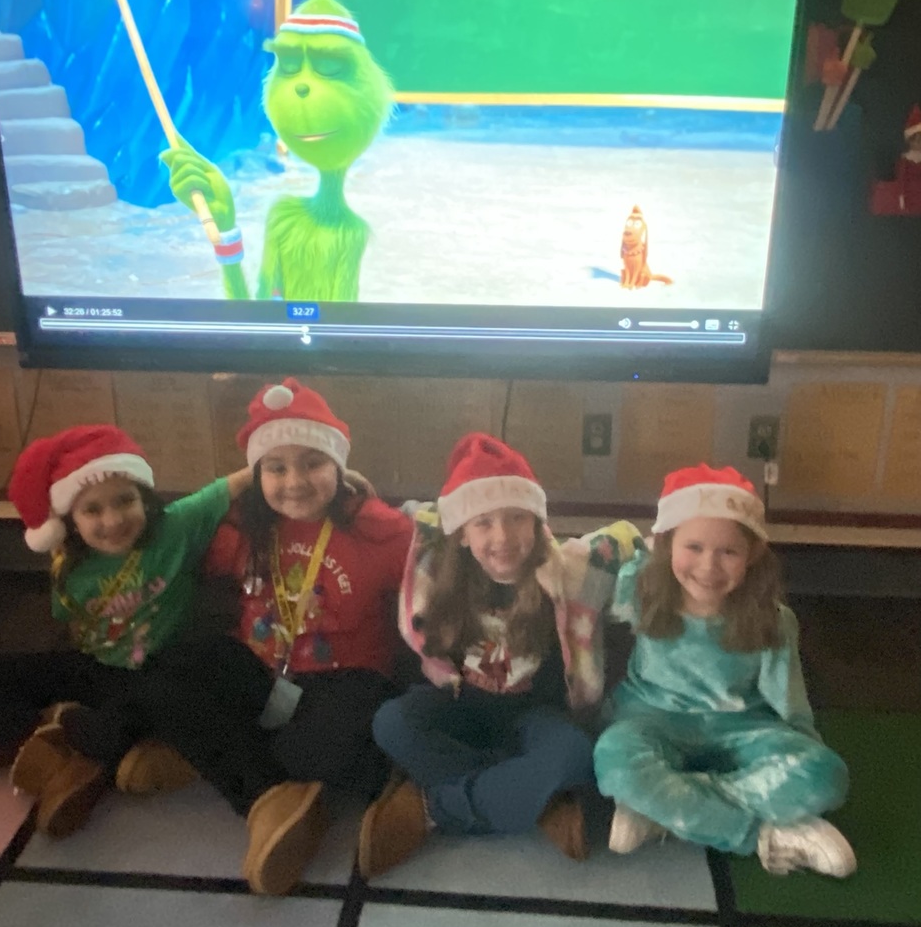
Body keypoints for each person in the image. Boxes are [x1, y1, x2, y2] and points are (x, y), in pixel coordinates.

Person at [132, 377, 414, 895]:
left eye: (313, 463)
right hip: (263, 670)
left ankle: (231, 771)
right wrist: (237, 482)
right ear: (256, 474)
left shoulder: (374, 527)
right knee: (161, 680)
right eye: (275, 468)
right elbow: (165, 534)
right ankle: (272, 800)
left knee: (317, 751)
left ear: (339, 467)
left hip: (347, 677)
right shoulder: (242, 526)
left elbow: (437, 561)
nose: (295, 482)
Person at [357, 432, 640, 878]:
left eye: (517, 518)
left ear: (537, 523)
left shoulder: (567, 572)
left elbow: (634, 544)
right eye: (484, 523)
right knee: (390, 722)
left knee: (575, 756)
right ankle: (533, 800)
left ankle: (434, 808)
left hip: (537, 718)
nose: (502, 536)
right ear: (461, 534)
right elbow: (382, 518)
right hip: (462, 707)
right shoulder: (439, 575)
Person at [0, 424, 250, 837]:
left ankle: (70, 752)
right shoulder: (70, 564)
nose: (112, 520)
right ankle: (49, 746)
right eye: (92, 510)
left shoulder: (176, 526)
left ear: (144, 498)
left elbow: (235, 482)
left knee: (124, 718)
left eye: (125, 501)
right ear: (70, 521)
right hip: (97, 667)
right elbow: (72, 627)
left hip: (156, 676)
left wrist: (316, 463)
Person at [594, 464, 856, 878]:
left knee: (827, 775)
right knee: (614, 760)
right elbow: (581, 572)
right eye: (694, 547)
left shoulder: (774, 620)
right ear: (666, 544)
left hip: (743, 727)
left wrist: (801, 756)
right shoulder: (639, 590)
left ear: (752, 554)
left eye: (728, 552)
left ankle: (666, 809)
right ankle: (766, 834)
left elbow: (790, 704)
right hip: (652, 721)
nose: (709, 566)